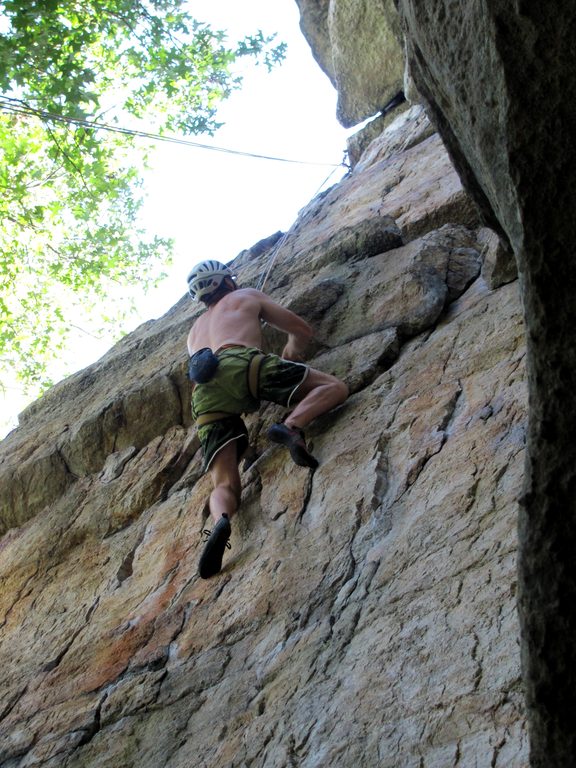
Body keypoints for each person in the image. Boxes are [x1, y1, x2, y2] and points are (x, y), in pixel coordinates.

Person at [186, 259, 349, 579]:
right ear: (226, 281)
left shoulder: (193, 332)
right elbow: (300, 329)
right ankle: (290, 427)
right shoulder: (245, 294)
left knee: (224, 483)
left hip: (204, 396)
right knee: (334, 387)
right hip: (243, 365)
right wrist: (292, 352)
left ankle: (221, 522)